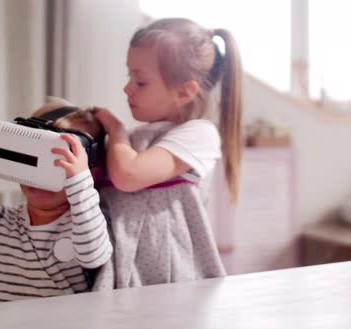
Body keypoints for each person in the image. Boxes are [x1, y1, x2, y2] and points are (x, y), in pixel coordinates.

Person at [92, 18, 242, 288]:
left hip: (167, 276)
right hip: (118, 268)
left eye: (140, 81)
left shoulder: (198, 134)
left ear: (185, 91)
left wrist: (115, 130)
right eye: (130, 77)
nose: (127, 88)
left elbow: (128, 175)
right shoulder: (131, 141)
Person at [0, 99, 113, 302]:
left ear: (91, 174)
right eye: (33, 158)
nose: (42, 175)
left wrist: (79, 184)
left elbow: (94, 256)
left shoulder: (85, 225)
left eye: (60, 163)